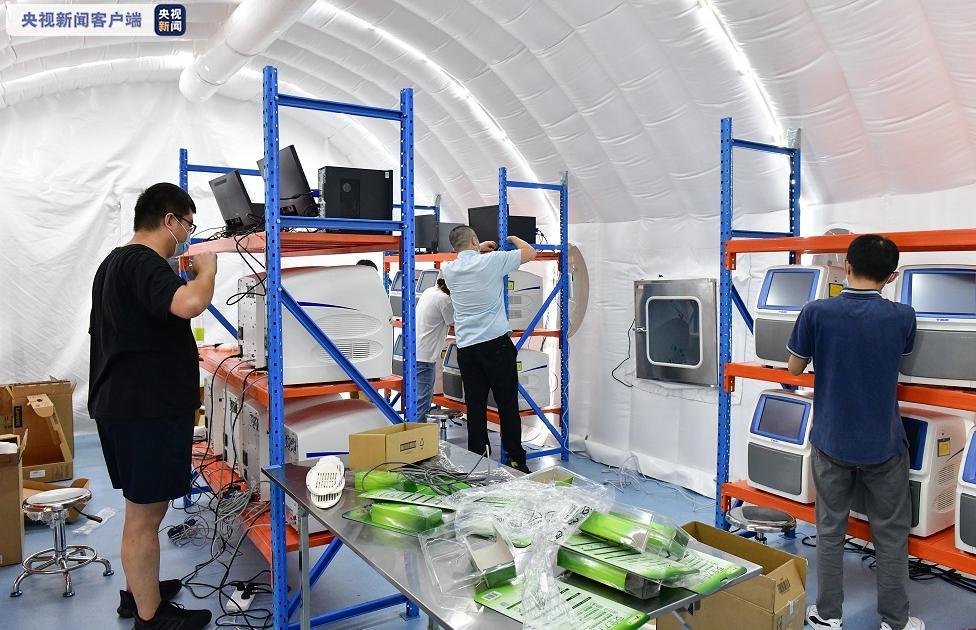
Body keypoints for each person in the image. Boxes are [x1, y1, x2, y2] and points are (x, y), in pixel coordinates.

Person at [89, 183, 216, 630]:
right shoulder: (143, 262)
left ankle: (138, 592)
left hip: (126, 406)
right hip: (144, 410)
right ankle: (150, 618)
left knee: (143, 508)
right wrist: (207, 271)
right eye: (189, 225)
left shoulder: (113, 263)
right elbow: (192, 302)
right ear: (169, 220)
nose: (188, 235)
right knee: (145, 516)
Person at [787, 235, 922, 630]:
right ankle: (896, 622)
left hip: (831, 440)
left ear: (846, 265)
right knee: (891, 536)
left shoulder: (816, 312)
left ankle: (828, 615)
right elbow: (902, 361)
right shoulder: (903, 316)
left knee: (830, 530)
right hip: (884, 444)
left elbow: (794, 368)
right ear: (892, 276)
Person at [441, 225, 536, 472]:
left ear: (454, 247)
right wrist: (513, 237)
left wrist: (476, 249)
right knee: (507, 405)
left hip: (467, 349)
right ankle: (515, 460)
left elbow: (462, 257)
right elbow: (530, 252)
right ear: (474, 240)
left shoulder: (448, 269)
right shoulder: (493, 261)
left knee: (475, 407)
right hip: (495, 345)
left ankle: (478, 460)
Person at [414, 277, 454, 421]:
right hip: (425, 358)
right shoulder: (444, 300)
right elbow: (456, 325)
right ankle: (418, 434)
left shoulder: (429, 291)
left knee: (417, 402)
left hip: (416, 353)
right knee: (422, 405)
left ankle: (414, 432)